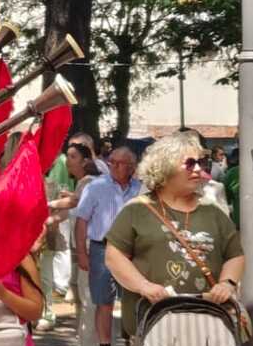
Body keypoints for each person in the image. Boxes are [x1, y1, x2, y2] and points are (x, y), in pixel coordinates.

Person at [105, 132, 245, 325]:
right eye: (189, 163)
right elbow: (114, 257)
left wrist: (227, 283)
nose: (198, 169)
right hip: (152, 321)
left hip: (210, 320)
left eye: (200, 162)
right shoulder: (136, 210)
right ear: (165, 167)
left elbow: (235, 254)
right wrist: (143, 286)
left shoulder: (212, 211)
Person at [73, 146, 140, 346]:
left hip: (133, 251)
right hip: (102, 248)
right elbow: (81, 220)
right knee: (103, 301)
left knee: (132, 300)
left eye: (123, 163)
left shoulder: (141, 189)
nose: (117, 166)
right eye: (113, 162)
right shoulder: (96, 187)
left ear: (132, 166)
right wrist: (82, 253)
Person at [51, 142, 99, 346]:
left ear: (85, 161)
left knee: (88, 297)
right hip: (77, 245)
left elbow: (73, 203)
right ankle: (83, 342)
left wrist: (47, 204)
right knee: (81, 296)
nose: (67, 161)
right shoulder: (82, 183)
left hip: (87, 247)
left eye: (72, 157)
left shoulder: (89, 182)